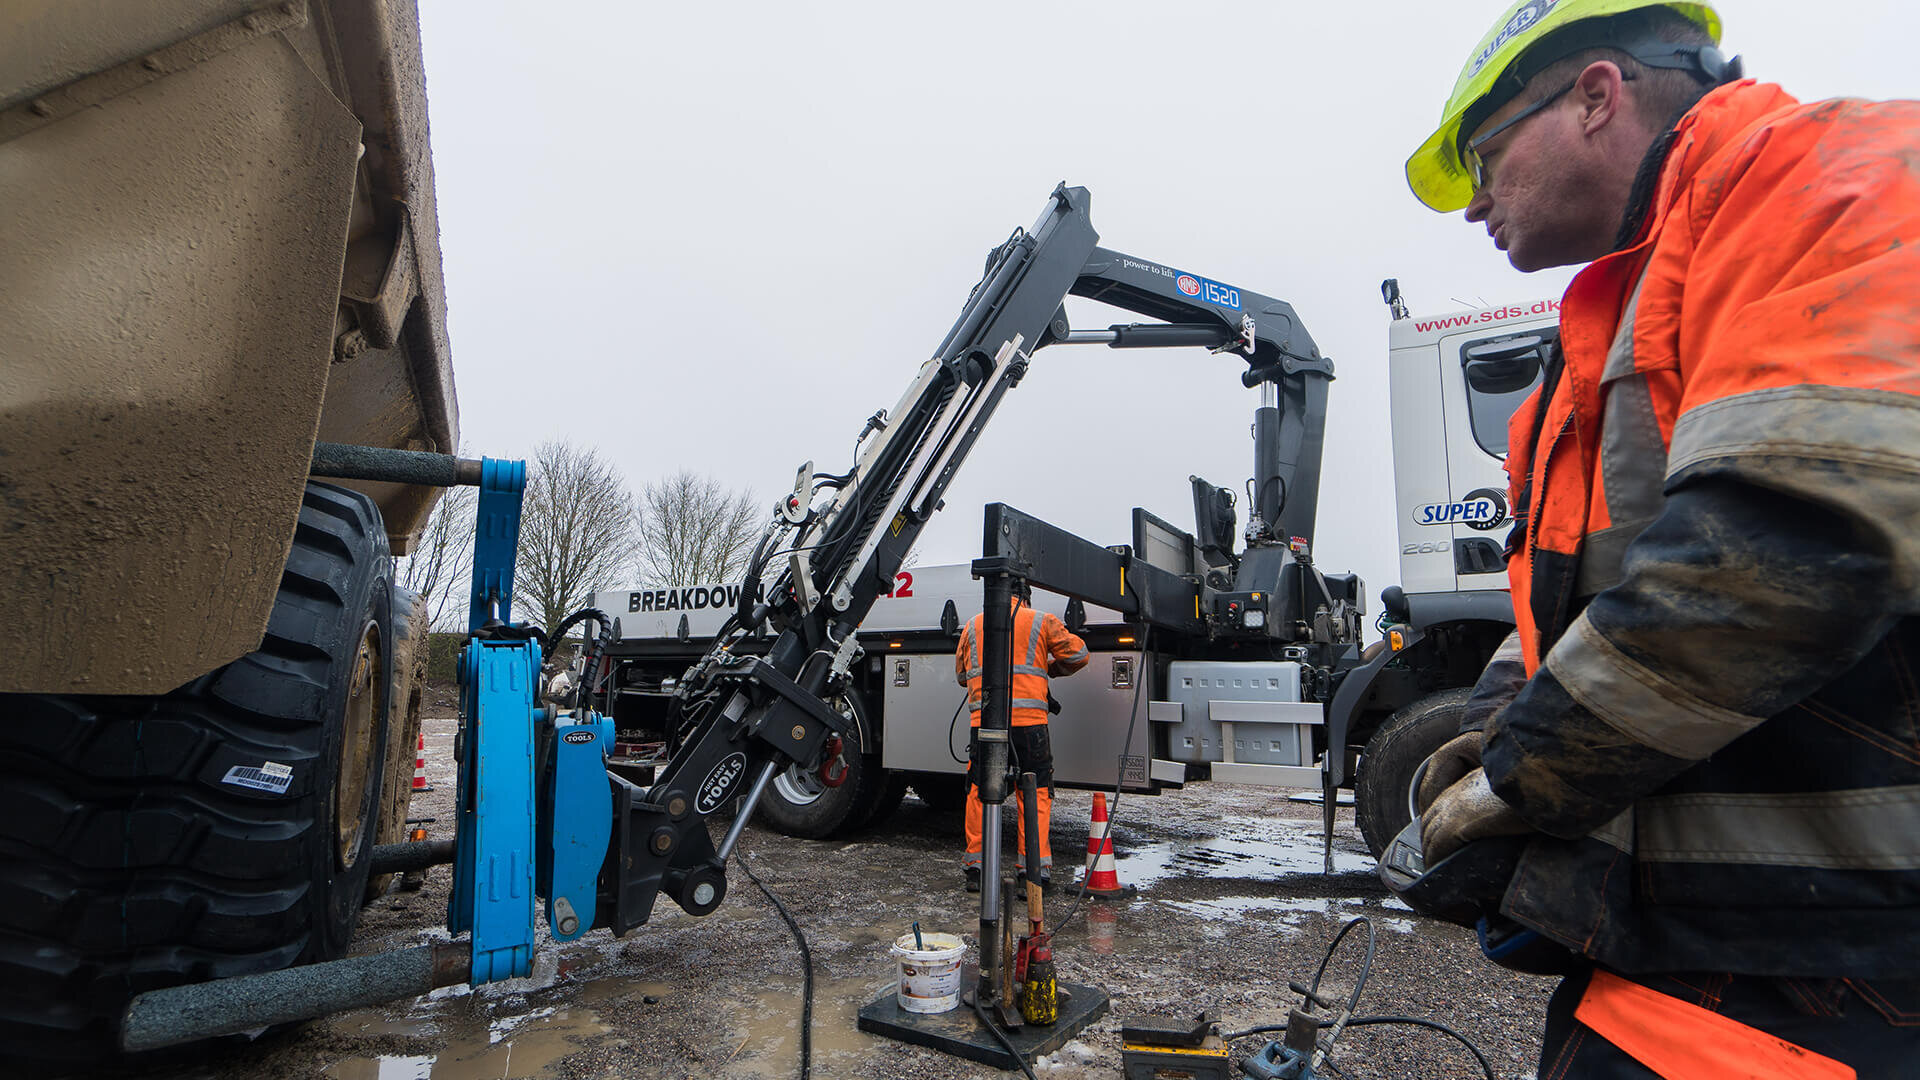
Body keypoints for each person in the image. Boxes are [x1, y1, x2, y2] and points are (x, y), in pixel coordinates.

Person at [1403, 1, 1920, 1075]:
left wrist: (1520, 779)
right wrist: (1499, 725)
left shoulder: (1832, 173)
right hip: (1677, 953)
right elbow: (1560, 602)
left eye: (1486, 154)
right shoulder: (1601, 330)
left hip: (1836, 958)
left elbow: (1782, 553)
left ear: (1596, 94)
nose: (1474, 206)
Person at [956, 579, 1088, 894]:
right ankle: (1033, 873)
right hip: (1030, 724)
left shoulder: (973, 626)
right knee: (1035, 791)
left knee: (979, 789)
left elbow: (962, 676)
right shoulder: (1042, 621)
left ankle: (976, 869)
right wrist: (1049, 670)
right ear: (1025, 596)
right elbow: (1080, 655)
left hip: (986, 722)